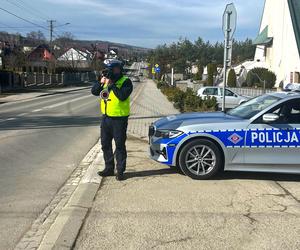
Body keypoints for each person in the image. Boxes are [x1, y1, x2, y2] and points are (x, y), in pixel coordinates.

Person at [91, 59, 133, 181]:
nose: (111, 72)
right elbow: (94, 91)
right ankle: (109, 168)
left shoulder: (126, 81)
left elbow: (122, 96)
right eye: (110, 69)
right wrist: (100, 82)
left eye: (113, 69)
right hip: (106, 118)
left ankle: (120, 171)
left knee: (119, 146)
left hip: (119, 119)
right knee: (105, 145)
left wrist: (111, 84)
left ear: (119, 70)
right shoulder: (105, 80)